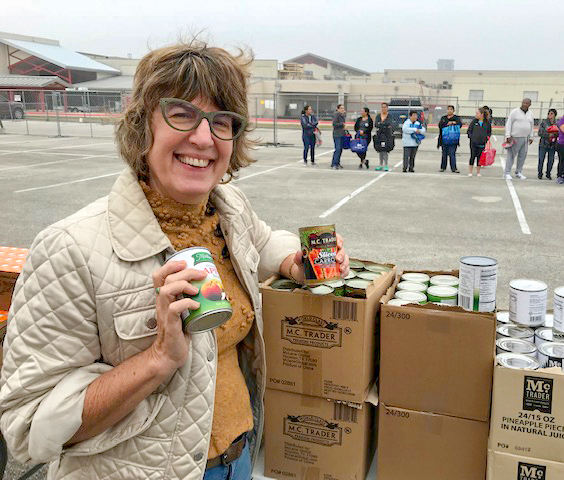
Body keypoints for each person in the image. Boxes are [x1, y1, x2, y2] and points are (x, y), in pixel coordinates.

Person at [0, 42, 350, 480]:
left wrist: (293, 262)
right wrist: (158, 359)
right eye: (181, 114)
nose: (203, 138)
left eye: (221, 121)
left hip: (239, 456)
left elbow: (259, 239)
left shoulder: (228, 208)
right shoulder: (70, 249)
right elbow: (27, 427)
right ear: (142, 124)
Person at [503, 98, 534, 180]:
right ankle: (507, 172)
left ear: (530, 104)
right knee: (511, 156)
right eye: (523, 103)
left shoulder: (530, 114)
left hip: (525, 138)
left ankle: (519, 172)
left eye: (527, 103)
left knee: (522, 156)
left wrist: (531, 136)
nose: (525, 104)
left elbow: (531, 126)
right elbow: (509, 123)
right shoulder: (515, 112)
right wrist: (508, 135)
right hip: (515, 137)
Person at [467, 107, 491, 177]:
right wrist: (472, 137)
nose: (476, 114)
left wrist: (486, 139)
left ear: (482, 114)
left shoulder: (487, 123)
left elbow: (489, 132)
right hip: (473, 143)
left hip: (482, 143)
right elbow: (469, 131)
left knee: (480, 158)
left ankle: (478, 172)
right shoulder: (474, 122)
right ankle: (470, 171)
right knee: (472, 156)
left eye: (477, 113)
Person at [437, 105, 462, 173]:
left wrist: (454, 123)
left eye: (451, 109)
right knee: (444, 154)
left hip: (453, 139)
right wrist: (447, 124)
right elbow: (440, 125)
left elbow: (460, 125)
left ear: (453, 110)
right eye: (448, 109)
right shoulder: (443, 118)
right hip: (444, 139)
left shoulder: (456, 118)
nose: (449, 111)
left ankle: (454, 168)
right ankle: (443, 167)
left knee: (452, 154)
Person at [537, 109, 558, 180]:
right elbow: (540, 133)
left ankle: (548, 173)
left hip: (552, 144)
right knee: (541, 159)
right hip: (543, 144)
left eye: (552, 113)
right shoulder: (544, 122)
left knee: (551, 160)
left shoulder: (557, 123)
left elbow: (559, 133)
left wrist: (555, 134)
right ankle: (540, 173)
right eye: (549, 113)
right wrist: (548, 135)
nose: (550, 115)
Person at [374, 102, 393, 171]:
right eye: (382, 107)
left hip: (387, 135)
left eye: (385, 107)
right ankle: (380, 164)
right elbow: (376, 124)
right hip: (379, 135)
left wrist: (382, 124)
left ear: (387, 108)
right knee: (380, 150)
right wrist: (383, 124)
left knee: (385, 150)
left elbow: (389, 123)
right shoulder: (378, 116)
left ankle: (386, 165)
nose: (383, 108)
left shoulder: (389, 116)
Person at [331, 104, 347, 170]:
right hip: (337, 134)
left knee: (340, 149)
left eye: (343, 108)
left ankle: (337, 162)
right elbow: (334, 124)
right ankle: (334, 163)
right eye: (341, 108)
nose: (342, 110)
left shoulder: (342, 116)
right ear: (338, 109)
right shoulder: (336, 115)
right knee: (337, 149)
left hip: (342, 134)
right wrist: (342, 124)